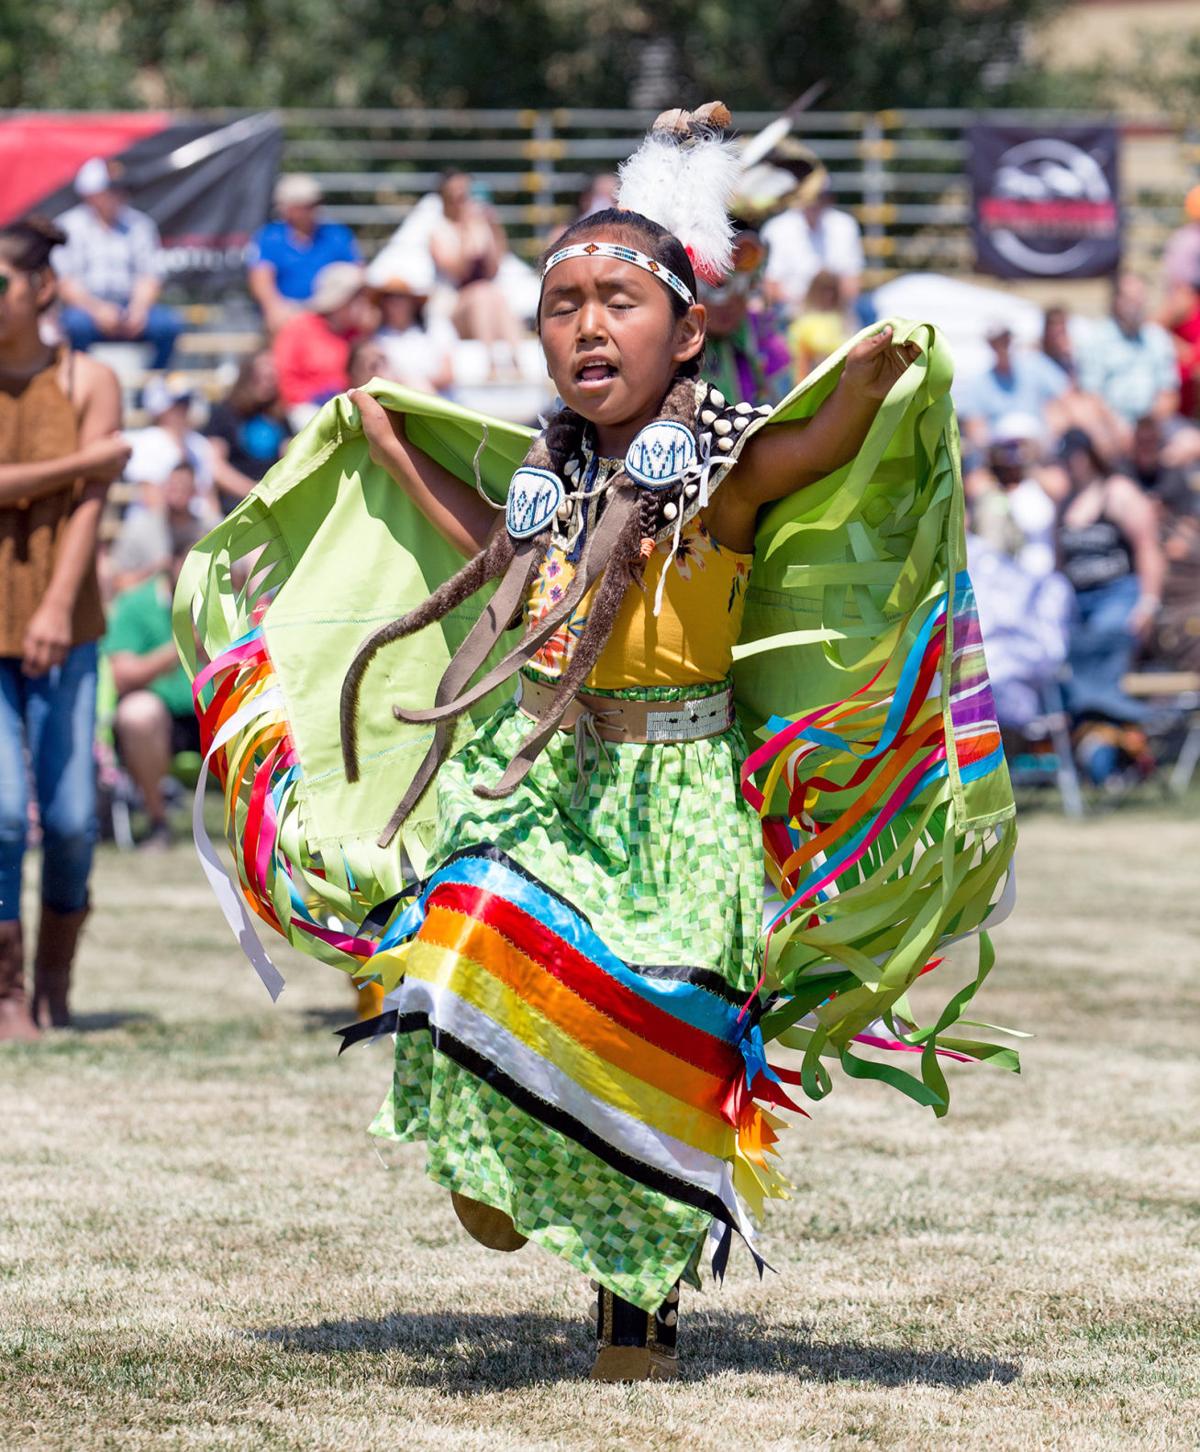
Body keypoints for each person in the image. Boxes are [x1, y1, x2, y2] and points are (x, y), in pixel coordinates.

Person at [177, 107, 1016, 1381]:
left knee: (655, 1046)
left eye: (617, 299)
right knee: (456, 947)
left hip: (680, 798)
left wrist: (869, 372)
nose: (584, 323)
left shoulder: (722, 469)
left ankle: (636, 1322)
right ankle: (499, 1168)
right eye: (562, 300)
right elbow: (497, 565)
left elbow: (817, 443)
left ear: (686, 332)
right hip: (544, 781)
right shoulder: (546, 480)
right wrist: (395, 445)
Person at [0, 216, 129, 1039]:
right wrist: (87, 459)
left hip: (66, 627)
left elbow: (90, 511)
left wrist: (54, 605)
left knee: (76, 819)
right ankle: (7, 992)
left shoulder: (90, 378)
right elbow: (90, 475)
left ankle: (54, 980)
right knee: (5, 815)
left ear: (42, 289)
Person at [1056, 429, 1165, 779]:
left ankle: (1117, 732)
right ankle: (1108, 741)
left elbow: (1148, 547)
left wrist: (1148, 603)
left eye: (1074, 455)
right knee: (1066, 652)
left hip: (1119, 595)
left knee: (1104, 641)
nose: (1069, 463)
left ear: (1089, 454)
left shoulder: (1117, 491)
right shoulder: (1065, 500)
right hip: (1078, 602)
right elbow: (1060, 563)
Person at [106, 520, 206, 849]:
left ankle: (260, 833)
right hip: (161, 718)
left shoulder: (225, 602)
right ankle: (158, 821)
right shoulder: (136, 604)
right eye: (193, 563)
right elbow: (122, 674)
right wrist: (184, 646)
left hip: (217, 713)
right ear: (172, 563)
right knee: (137, 714)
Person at [52, 158, 182, 370]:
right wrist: (98, 310)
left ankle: (151, 391)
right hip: (86, 310)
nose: (120, 195)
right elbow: (65, 282)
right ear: (90, 194)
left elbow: (150, 275)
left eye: (122, 189)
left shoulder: (139, 224)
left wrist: (138, 310)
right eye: (111, 190)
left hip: (130, 307)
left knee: (167, 325)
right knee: (73, 326)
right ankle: (80, 387)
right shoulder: (68, 227)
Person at [429, 171, 525, 373]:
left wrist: (493, 228)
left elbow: (494, 268)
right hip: (454, 305)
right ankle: (491, 362)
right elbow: (458, 272)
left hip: (485, 298)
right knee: (483, 293)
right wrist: (465, 231)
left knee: (494, 294)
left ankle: (518, 361)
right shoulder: (438, 231)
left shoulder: (480, 225)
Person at [247, 174, 361, 335]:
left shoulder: (337, 235)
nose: (313, 209)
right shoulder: (269, 237)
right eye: (306, 205)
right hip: (288, 311)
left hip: (333, 311)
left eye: (315, 204)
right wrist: (274, 307)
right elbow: (261, 279)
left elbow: (357, 273)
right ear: (287, 208)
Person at [272, 262, 377, 427]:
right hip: (307, 409)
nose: (363, 303)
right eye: (357, 297)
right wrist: (322, 396)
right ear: (341, 300)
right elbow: (285, 381)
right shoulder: (299, 327)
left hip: (350, 403)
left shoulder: (359, 333)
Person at [1075, 274, 1180, 433]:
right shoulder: (1095, 338)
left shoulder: (1157, 338)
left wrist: (1147, 428)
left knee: (1190, 443)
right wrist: (1118, 428)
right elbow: (1091, 395)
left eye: (1140, 297)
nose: (1137, 303)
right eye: (1130, 298)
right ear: (1115, 301)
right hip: (1109, 426)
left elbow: (1169, 394)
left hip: (1152, 427)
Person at [698, 226, 790, 405]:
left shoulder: (762, 340)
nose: (730, 305)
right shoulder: (674, 347)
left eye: (743, 291)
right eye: (718, 287)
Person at [956, 321, 1071, 450]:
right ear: (991, 345)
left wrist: (1054, 429)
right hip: (1000, 449)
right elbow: (975, 427)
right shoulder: (978, 382)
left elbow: (1064, 397)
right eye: (998, 342)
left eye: (1006, 340)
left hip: (1038, 443)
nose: (1003, 346)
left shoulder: (1035, 365)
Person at [204, 351, 291, 512]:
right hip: (235, 502)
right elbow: (215, 467)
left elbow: (289, 456)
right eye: (260, 378)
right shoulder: (224, 414)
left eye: (271, 379)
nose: (266, 384)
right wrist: (254, 492)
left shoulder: (279, 416)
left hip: (273, 498)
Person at [761, 180, 864, 315]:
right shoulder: (776, 229)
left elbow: (852, 285)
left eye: (819, 196)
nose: (814, 202)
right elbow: (770, 287)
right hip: (790, 318)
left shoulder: (845, 225)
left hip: (836, 316)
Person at [107, 457, 200, 596]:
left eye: (184, 487)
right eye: (174, 486)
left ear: (194, 492)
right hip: (148, 607)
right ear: (164, 488)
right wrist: (156, 571)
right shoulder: (139, 528)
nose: (178, 493)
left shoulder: (207, 530)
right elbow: (118, 582)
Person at [124, 376, 217, 512]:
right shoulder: (147, 441)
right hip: (159, 527)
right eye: (177, 405)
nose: (183, 410)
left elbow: (209, 497)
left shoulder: (200, 444)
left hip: (196, 528)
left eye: (186, 404)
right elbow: (151, 499)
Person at [368, 258, 457, 397]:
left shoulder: (435, 326)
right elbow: (377, 377)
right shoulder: (374, 336)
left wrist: (416, 384)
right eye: (388, 297)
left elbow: (447, 374)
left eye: (400, 296)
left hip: (440, 399)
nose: (393, 302)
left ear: (412, 301)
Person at [788, 269, 851, 382]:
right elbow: (801, 359)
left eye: (831, 290)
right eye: (824, 290)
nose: (828, 295)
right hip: (813, 377)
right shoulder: (804, 319)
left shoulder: (844, 316)